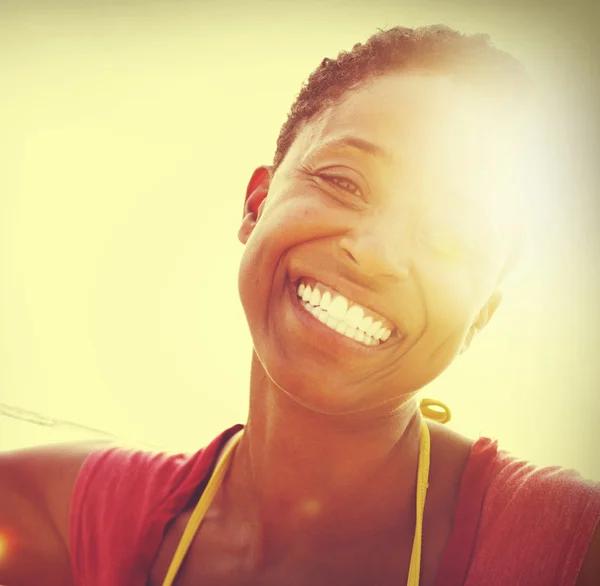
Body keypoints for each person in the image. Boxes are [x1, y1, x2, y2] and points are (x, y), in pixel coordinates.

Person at [1, 24, 599, 586]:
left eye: (451, 238)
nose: (376, 253)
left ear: (479, 320)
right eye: (344, 181)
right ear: (256, 203)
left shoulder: (569, 549)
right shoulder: (52, 515)